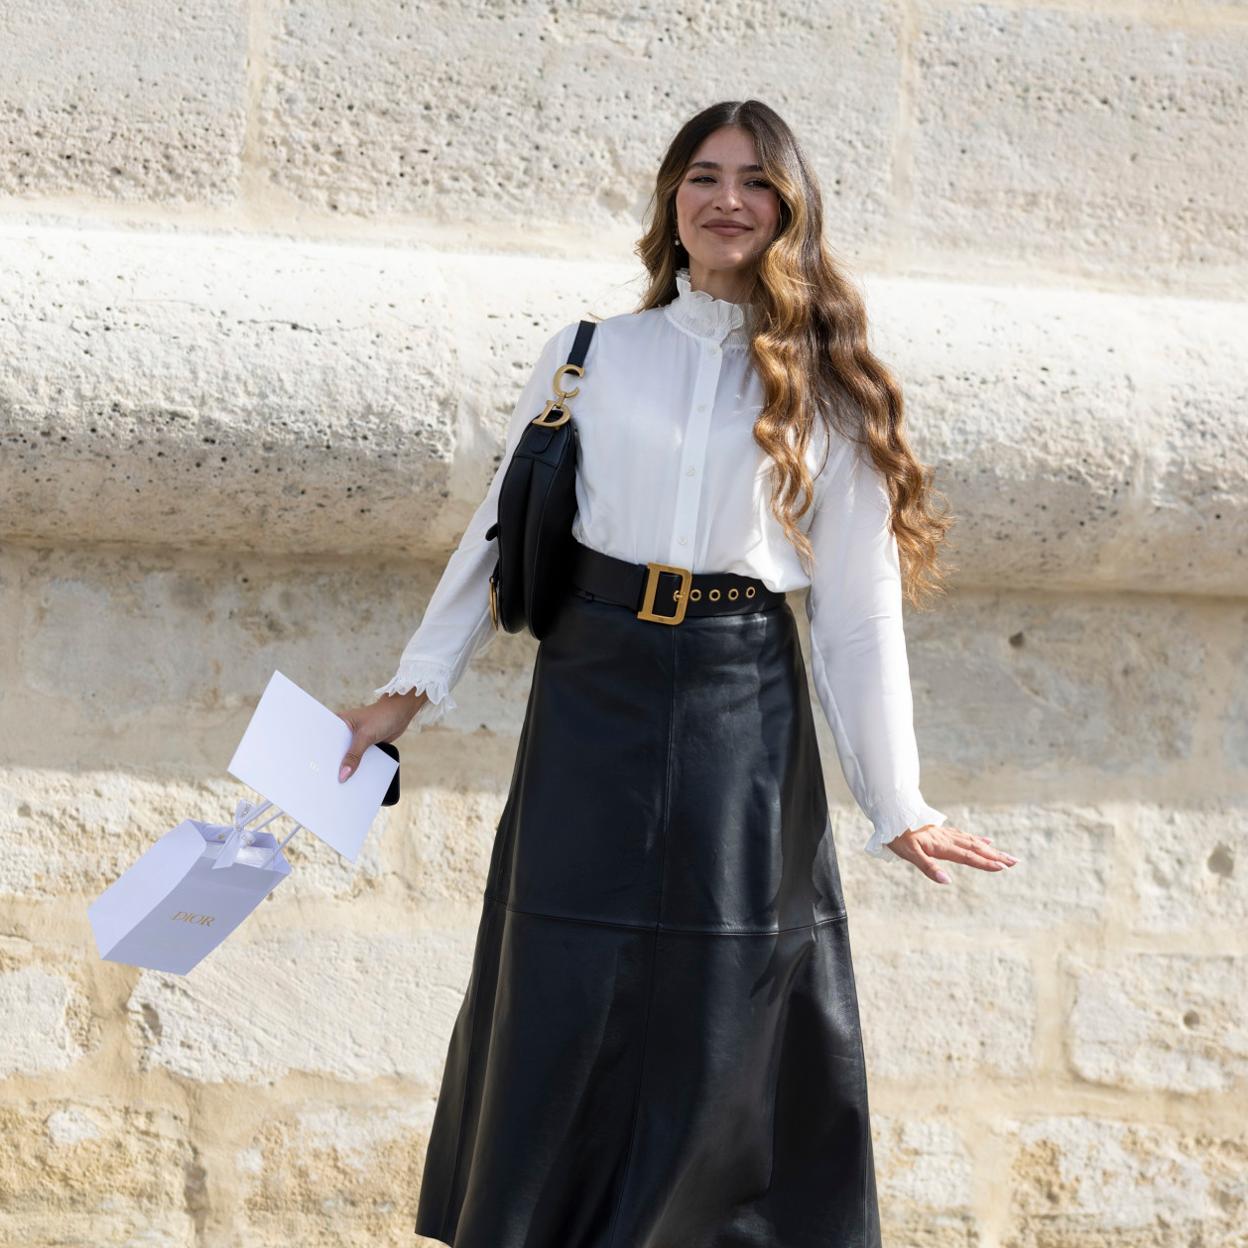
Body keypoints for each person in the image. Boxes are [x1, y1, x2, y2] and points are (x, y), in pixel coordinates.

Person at [337, 99, 1020, 1248]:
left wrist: (896, 801)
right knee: (561, 979)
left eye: (755, 181)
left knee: (722, 1000)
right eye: (703, 176)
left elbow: (856, 617)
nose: (727, 199)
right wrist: (402, 701)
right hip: (592, 678)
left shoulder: (831, 386)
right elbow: (498, 538)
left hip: (740, 692)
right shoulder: (590, 352)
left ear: (788, 211)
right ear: (671, 201)